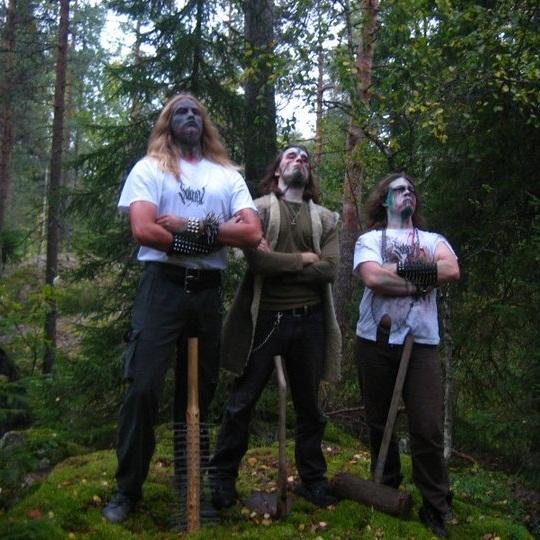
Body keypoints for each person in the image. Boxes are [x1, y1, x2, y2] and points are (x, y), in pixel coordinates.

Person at [102, 93, 262, 523]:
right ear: (168, 123)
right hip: (162, 289)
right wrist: (214, 236)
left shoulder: (226, 175)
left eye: (195, 112)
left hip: (207, 293)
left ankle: (189, 486)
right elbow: (144, 229)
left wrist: (187, 228)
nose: (189, 116)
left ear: (204, 123)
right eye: (180, 112)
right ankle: (127, 490)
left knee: (198, 393)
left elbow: (252, 233)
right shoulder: (150, 168)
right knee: (143, 387)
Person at [210, 145, 342, 510]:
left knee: (310, 407)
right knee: (242, 402)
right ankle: (221, 479)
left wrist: (280, 263)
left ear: (309, 173)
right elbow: (258, 263)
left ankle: (313, 481)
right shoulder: (257, 210)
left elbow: (330, 270)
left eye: (304, 159)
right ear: (278, 170)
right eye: (291, 157)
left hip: (310, 321)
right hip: (265, 320)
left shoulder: (326, 219)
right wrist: (304, 259)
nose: (299, 161)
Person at [353, 172, 460, 538]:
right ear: (385, 200)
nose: (407, 193)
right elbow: (372, 278)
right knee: (379, 420)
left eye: (411, 189)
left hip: (422, 343)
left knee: (427, 427)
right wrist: (422, 281)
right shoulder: (369, 239)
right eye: (399, 190)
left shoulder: (433, 240)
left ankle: (436, 504)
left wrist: (397, 270)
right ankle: (386, 485)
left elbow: (451, 269)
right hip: (375, 339)